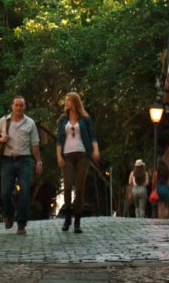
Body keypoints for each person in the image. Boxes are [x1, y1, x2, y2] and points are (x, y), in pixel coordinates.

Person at [0, 95, 42, 235]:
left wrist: (38, 161)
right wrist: (2, 139)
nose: (18, 108)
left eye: (21, 105)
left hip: (25, 161)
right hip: (7, 161)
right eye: (16, 105)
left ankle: (21, 224)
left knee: (25, 193)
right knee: (5, 193)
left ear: (24, 107)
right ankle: (9, 215)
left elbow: (35, 144)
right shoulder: (3, 121)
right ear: (12, 106)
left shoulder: (30, 123)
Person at [56, 92, 100, 233]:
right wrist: (59, 156)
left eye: (68, 100)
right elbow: (58, 140)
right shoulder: (63, 120)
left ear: (75, 102)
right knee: (68, 187)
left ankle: (77, 222)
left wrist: (95, 150)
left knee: (79, 188)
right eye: (66, 101)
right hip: (67, 156)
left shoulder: (85, 119)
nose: (66, 103)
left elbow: (93, 136)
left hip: (82, 155)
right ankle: (68, 217)